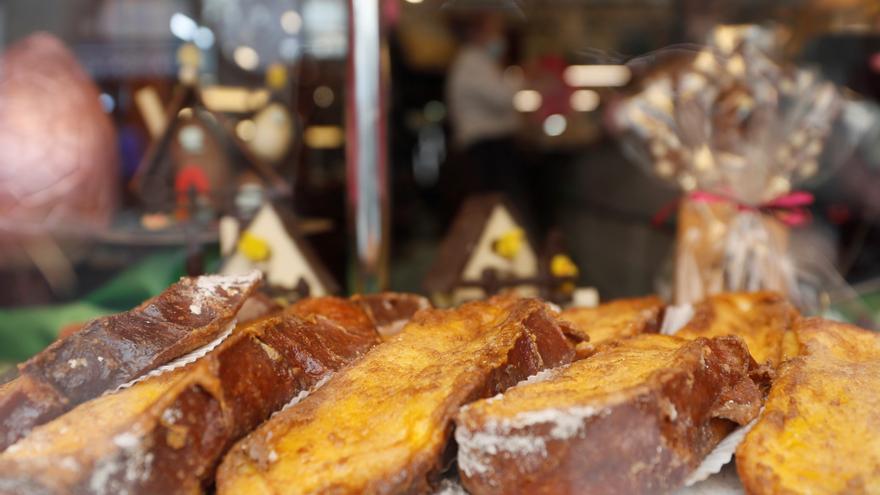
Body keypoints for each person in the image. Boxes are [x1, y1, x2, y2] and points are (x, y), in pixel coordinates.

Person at [446, 14, 526, 203]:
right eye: (495, 31)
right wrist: (521, 78)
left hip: (490, 148)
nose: (500, 38)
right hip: (486, 148)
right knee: (495, 205)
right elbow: (502, 97)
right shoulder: (472, 62)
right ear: (477, 33)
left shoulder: (482, 62)